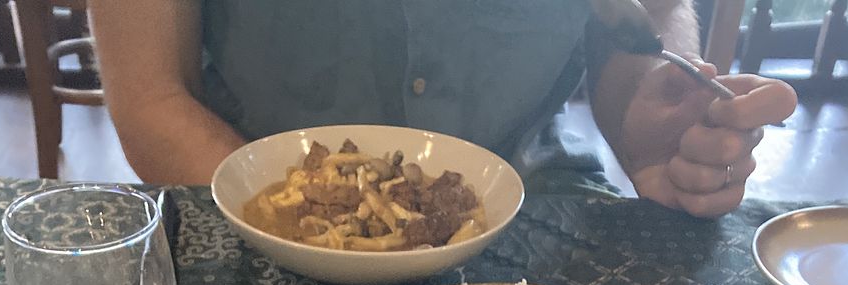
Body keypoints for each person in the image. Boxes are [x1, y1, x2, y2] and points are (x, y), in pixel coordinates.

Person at [88, 0, 797, 219]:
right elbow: (154, 96)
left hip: (534, 208)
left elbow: (650, 11)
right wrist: (298, 216)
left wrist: (647, 106)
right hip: (253, 223)